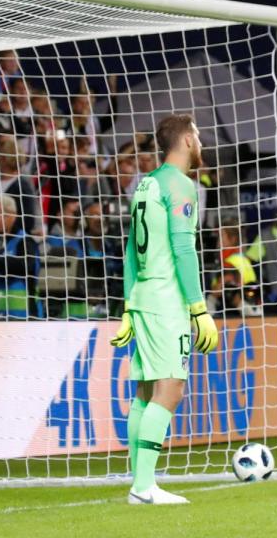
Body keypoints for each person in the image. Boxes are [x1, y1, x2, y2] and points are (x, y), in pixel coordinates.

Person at [109, 113, 220, 505]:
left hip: (143, 296)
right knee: (169, 390)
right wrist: (198, 308)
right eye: (199, 136)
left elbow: (130, 252)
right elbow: (183, 248)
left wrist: (127, 306)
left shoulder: (146, 184)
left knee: (144, 393)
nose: (201, 143)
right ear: (187, 140)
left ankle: (139, 483)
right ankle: (143, 486)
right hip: (166, 301)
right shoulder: (181, 186)